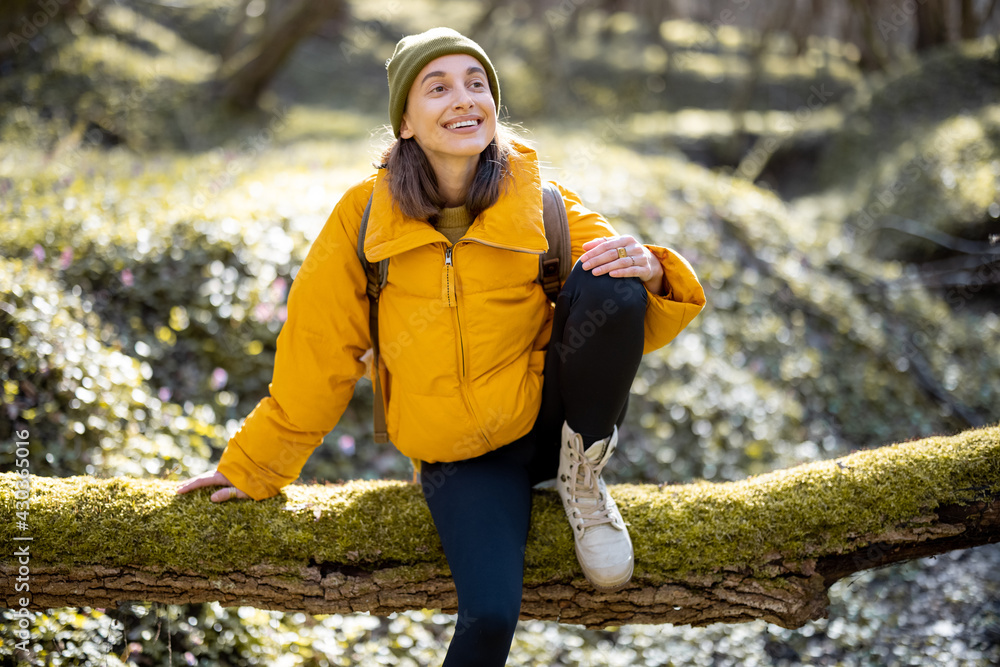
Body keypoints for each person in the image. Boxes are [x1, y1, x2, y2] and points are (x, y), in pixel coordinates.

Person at [176, 26, 705, 665]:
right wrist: (255, 465)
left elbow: (630, 303)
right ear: (405, 120)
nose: (465, 99)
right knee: (487, 618)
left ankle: (584, 480)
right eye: (439, 87)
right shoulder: (362, 217)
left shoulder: (542, 202)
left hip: (549, 419)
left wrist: (652, 270)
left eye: (476, 84)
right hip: (459, 457)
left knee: (612, 277)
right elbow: (320, 351)